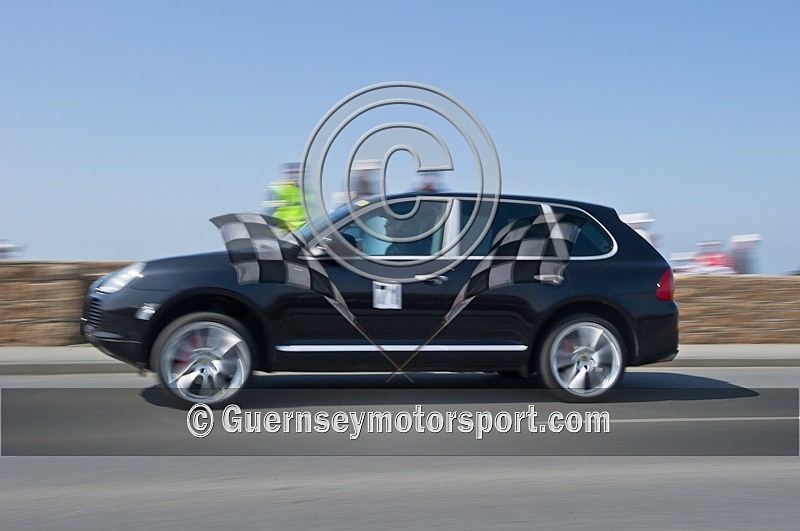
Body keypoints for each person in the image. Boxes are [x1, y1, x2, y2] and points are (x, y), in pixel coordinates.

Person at [264, 163, 305, 230]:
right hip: (284, 230)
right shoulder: (279, 188)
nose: (296, 175)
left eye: (298, 172)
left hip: (303, 230)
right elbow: (269, 211)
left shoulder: (305, 191)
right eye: (294, 172)